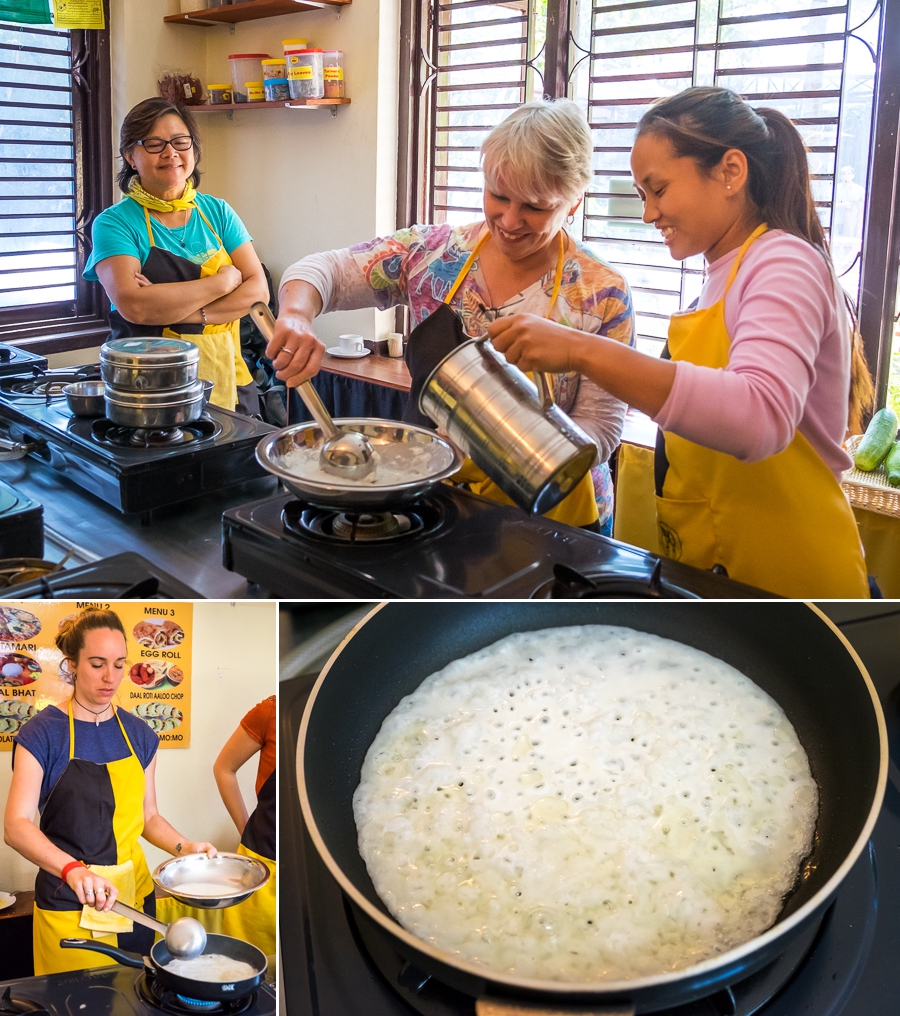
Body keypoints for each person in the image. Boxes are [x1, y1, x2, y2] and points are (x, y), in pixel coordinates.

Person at [486, 86, 872, 598]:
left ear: (730, 171)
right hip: (724, 572)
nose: (649, 214)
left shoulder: (782, 262)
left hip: (793, 580)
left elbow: (760, 417)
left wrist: (580, 349)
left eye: (658, 189)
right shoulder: (719, 278)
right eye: (642, 195)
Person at [266, 99, 635, 533]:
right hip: (437, 497)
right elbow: (321, 271)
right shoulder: (433, 254)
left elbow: (603, 424)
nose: (510, 220)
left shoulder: (601, 293)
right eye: (498, 196)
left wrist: (524, 460)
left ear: (572, 203)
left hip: (554, 511)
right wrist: (294, 316)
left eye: (536, 207)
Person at [3, 609, 217, 975]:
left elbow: (148, 816)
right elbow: (16, 825)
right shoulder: (42, 734)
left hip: (134, 903)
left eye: (119, 664)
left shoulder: (140, 734)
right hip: (70, 903)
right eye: (97, 664)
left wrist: (186, 848)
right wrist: (72, 870)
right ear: (71, 665)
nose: (110, 677)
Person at [84, 98, 269, 415]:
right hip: (148, 387)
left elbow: (258, 294)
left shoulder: (218, 212)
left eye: (180, 142)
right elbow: (135, 306)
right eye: (154, 144)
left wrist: (177, 312)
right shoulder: (114, 223)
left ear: (193, 150)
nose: (171, 153)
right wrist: (224, 282)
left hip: (230, 379)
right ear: (130, 155)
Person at [211, 695, 276, 957]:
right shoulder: (271, 711)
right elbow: (224, 768)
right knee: (246, 964)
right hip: (263, 868)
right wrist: (245, 829)